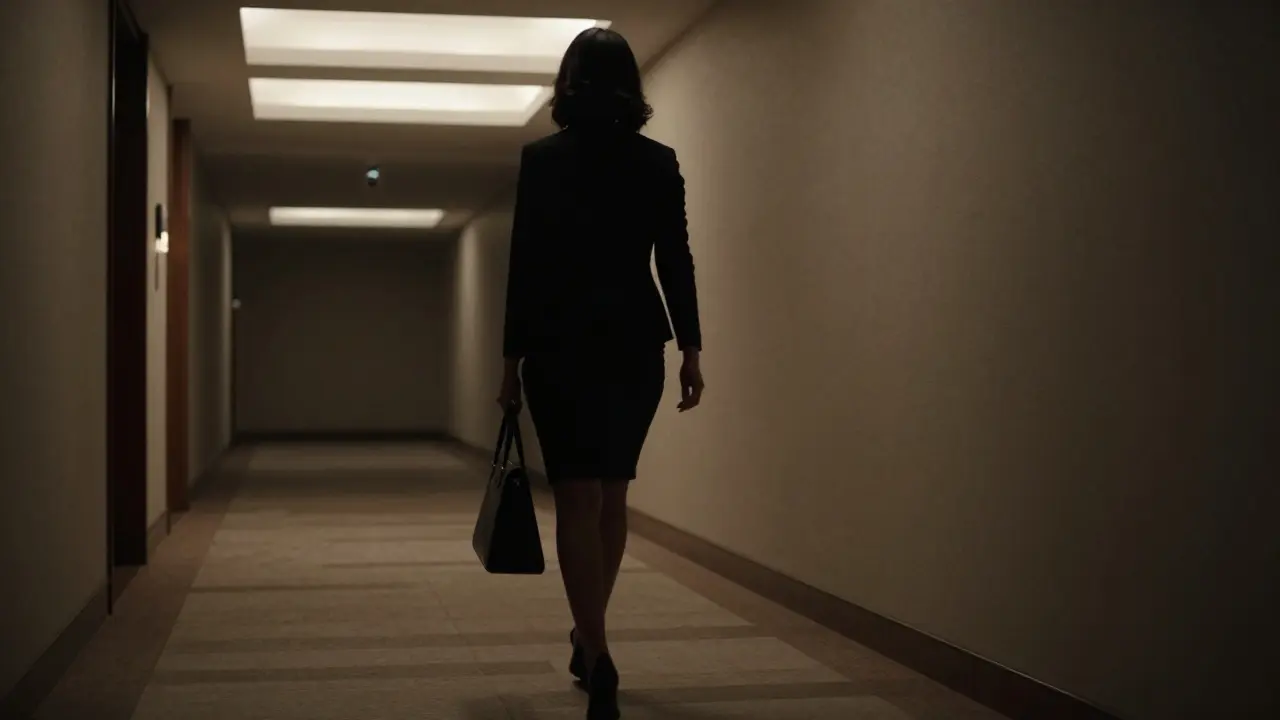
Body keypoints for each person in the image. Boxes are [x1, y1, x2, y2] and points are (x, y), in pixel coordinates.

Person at [495, 26, 705, 720]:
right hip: (633, 347)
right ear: (631, 86)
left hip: (559, 346)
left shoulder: (543, 160)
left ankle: (596, 644)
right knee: (613, 495)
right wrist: (692, 349)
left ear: (568, 82)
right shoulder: (657, 162)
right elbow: (674, 259)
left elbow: (525, 265)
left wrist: (510, 362)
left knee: (577, 498)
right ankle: (592, 643)